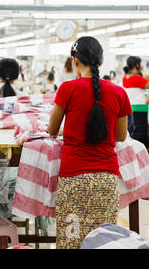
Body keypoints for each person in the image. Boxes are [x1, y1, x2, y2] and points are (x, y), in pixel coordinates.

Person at [47, 36, 132, 249]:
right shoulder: (119, 92)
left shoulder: (67, 89)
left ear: (74, 61)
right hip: (106, 180)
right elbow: (120, 136)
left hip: (73, 179)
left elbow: (52, 131)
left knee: (70, 241)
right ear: (102, 62)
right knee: (103, 242)